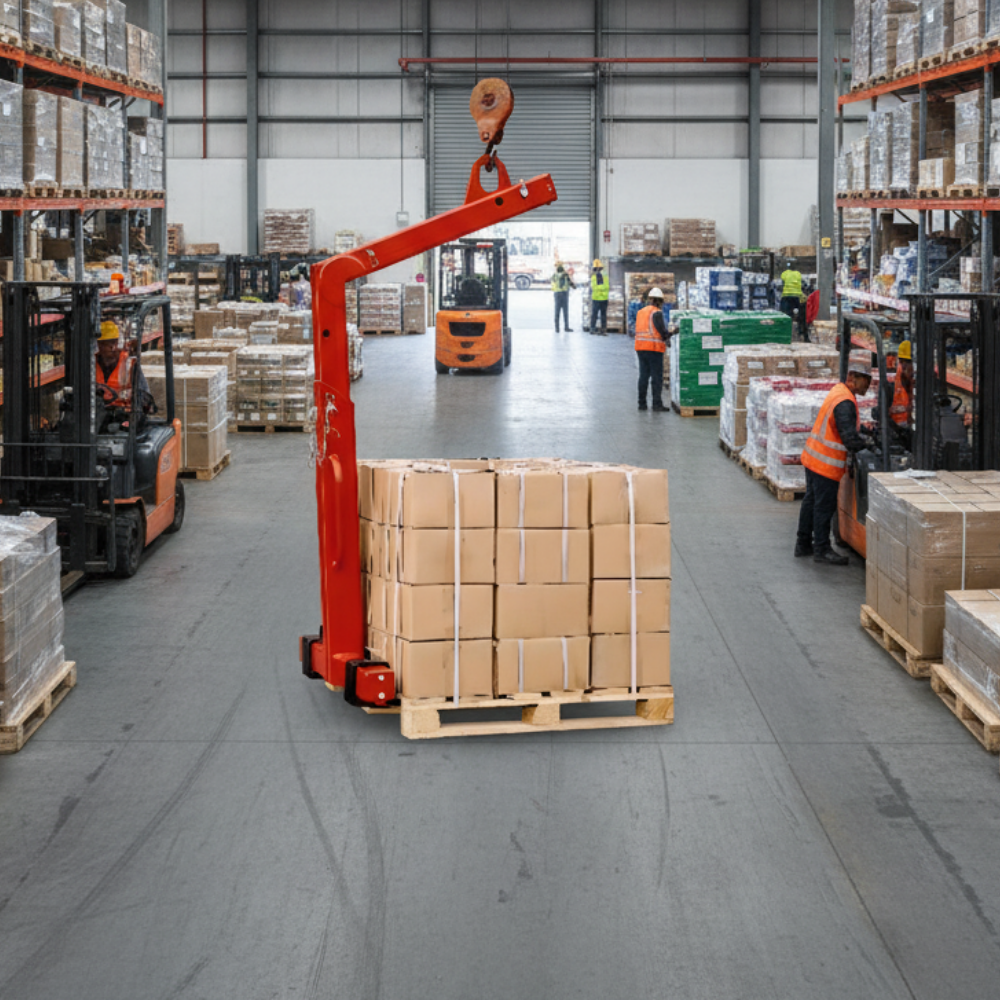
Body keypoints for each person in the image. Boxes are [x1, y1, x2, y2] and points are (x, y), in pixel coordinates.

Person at [796, 356, 873, 564]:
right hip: (825, 464)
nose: (869, 384)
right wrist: (868, 446)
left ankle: (803, 544)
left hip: (813, 458)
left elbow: (846, 425)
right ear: (854, 378)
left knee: (811, 501)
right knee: (824, 507)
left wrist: (865, 430)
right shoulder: (845, 401)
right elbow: (848, 437)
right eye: (867, 380)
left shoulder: (839, 392)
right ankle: (822, 549)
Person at [96, 319, 150, 408]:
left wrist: (133, 397)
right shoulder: (90, 364)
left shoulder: (129, 363)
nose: (113, 347)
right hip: (98, 414)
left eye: (115, 342)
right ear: (99, 345)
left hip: (123, 415)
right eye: (108, 344)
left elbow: (144, 394)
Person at [635, 287, 670, 412]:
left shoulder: (641, 312)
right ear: (660, 301)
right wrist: (673, 332)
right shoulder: (657, 313)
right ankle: (656, 404)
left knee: (643, 375)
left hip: (640, 347)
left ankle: (642, 404)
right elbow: (662, 333)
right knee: (656, 377)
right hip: (653, 348)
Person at [890, 340, 914, 429]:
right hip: (897, 427)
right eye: (901, 361)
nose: (903, 365)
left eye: (907, 361)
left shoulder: (924, 381)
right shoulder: (895, 380)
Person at [779, 260, 805, 338]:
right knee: (801, 314)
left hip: (786, 296)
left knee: (785, 314)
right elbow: (803, 284)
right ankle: (800, 331)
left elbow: (781, 284)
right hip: (797, 297)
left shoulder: (784, 274)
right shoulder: (798, 274)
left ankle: (785, 330)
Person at [551, 263, 574, 332]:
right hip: (564, 294)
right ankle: (566, 327)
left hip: (557, 294)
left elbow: (552, 282)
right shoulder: (566, 275)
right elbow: (571, 284)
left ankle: (557, 328)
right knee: (565, 311)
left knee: (557, 311)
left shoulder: (554, 275)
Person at [589, 258, 609, 335]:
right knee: (602, 314)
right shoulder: (604, 275)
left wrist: (601, 290)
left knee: (595, 314)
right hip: (603, 298)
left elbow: (596, 287)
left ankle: (593, 328)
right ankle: (602, 329)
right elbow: (604, 286)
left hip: (597, 298)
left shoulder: (596, 276)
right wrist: (603, 290)